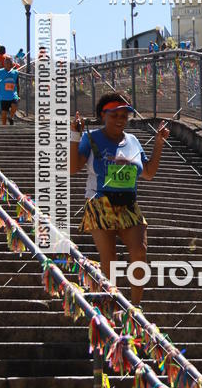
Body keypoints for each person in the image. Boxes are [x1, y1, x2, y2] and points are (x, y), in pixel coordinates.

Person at [70, 93, 170, 306]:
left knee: (139, 251)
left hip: (129, 205)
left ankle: (136, 308)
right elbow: (72, 168)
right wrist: (74, 135)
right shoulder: (91, 138)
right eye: (114, 115)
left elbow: (148, 173)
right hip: (100, 202)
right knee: (110, 260)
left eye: (124, 115)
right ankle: (110, 304)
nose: (120, 119)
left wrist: (159, 143)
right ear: (103, 115)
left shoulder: (133, 141)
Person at [0, 55, 19, 125]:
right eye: (6, 63)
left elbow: (17, 84)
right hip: (3, 96)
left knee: (14, 106)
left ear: (12, 64)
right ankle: (4, 127)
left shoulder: (16, 72)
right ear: (4, 64)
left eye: (9, 63)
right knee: (4, 113)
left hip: (13, 94)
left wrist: (18, 95)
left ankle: (11, 117)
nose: (8, 64)